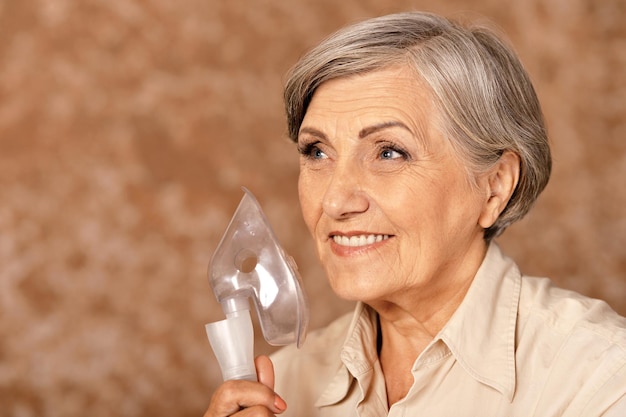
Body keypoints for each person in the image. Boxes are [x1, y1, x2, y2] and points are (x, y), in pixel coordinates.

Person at [204, 11, 626, 417]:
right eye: (317, 151)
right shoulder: (286, 385)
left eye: (389, 152)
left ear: (495, 186)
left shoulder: (599, 378)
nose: (334, 201)